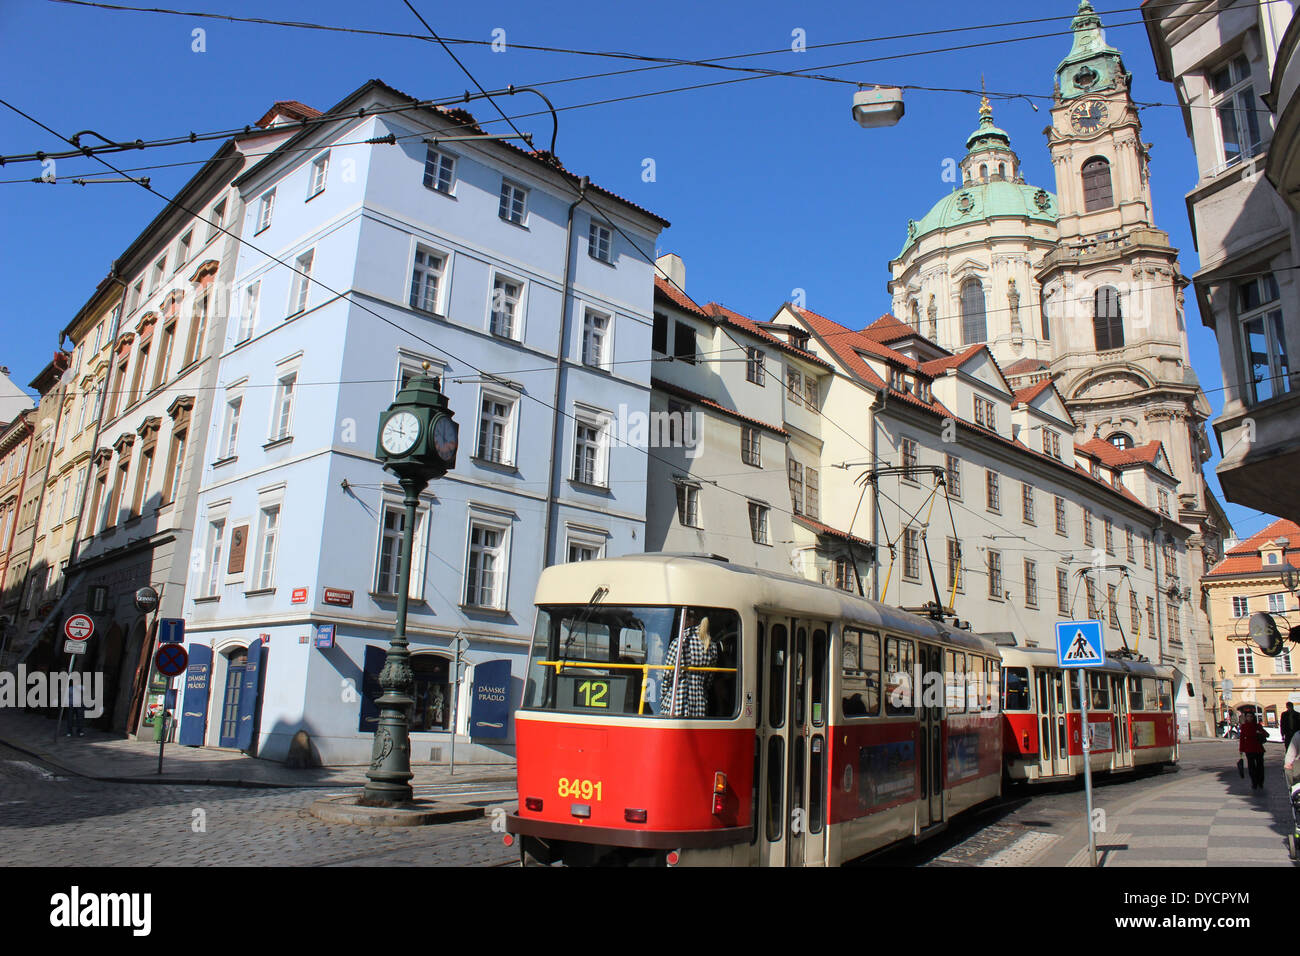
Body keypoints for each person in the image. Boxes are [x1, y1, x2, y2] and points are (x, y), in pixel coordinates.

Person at [661, 609, 719, 718]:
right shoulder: (712, 646)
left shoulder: (679, 642)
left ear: (689, 620)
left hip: (676, 703)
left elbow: (667, 676)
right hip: (699, 705)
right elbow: (709, 681)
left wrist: (663, 697)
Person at [1239, 711, 1269, 790]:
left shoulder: (1257, 726)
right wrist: (1241, 749)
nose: (1249, 718)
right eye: (1248, 716)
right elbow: (1242, 739)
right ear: (1246, 717)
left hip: (1258, 748)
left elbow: (1266, 734)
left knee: (1260, 766)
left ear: (1253, 717)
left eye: (1251, 716)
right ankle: (1254, 782)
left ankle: (1260, 782)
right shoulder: (1244, 726)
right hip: (1249, 749)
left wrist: (1260, 732)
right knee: (1251, 767)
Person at [64, 673, 85, 738]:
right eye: (74, 680)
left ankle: (80, 731)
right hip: (71, 705)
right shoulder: (70, 688)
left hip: (79, 705)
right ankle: (69, 731)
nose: (75, 681)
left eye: (76, 680)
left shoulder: (82, 687)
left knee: (80, 718)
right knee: (70, 718)